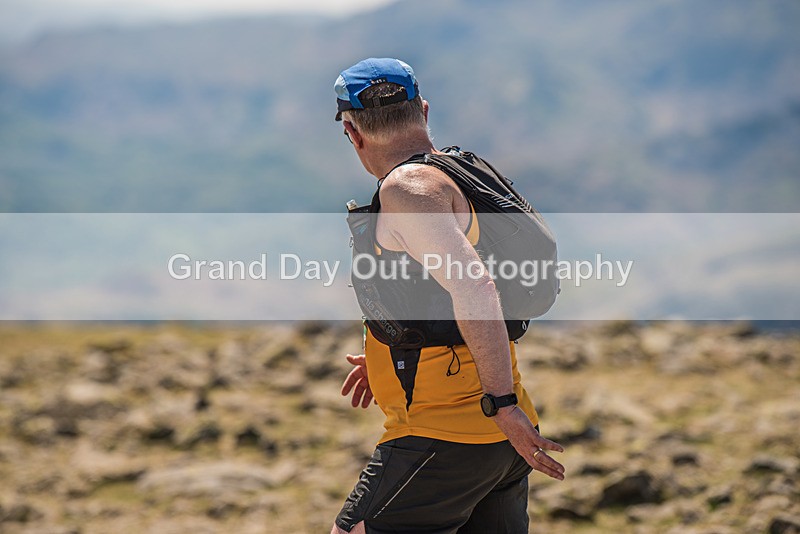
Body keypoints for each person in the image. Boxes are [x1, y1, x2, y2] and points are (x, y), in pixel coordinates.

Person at [331, 58, 565, 534]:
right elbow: (435, 292)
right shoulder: (458, 174)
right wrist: (389, 346)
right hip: (496, 444)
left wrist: (499, 404)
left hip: (445, 434)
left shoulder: (408, 190)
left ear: (352, 133)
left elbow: (474, 285)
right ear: (423, 110)